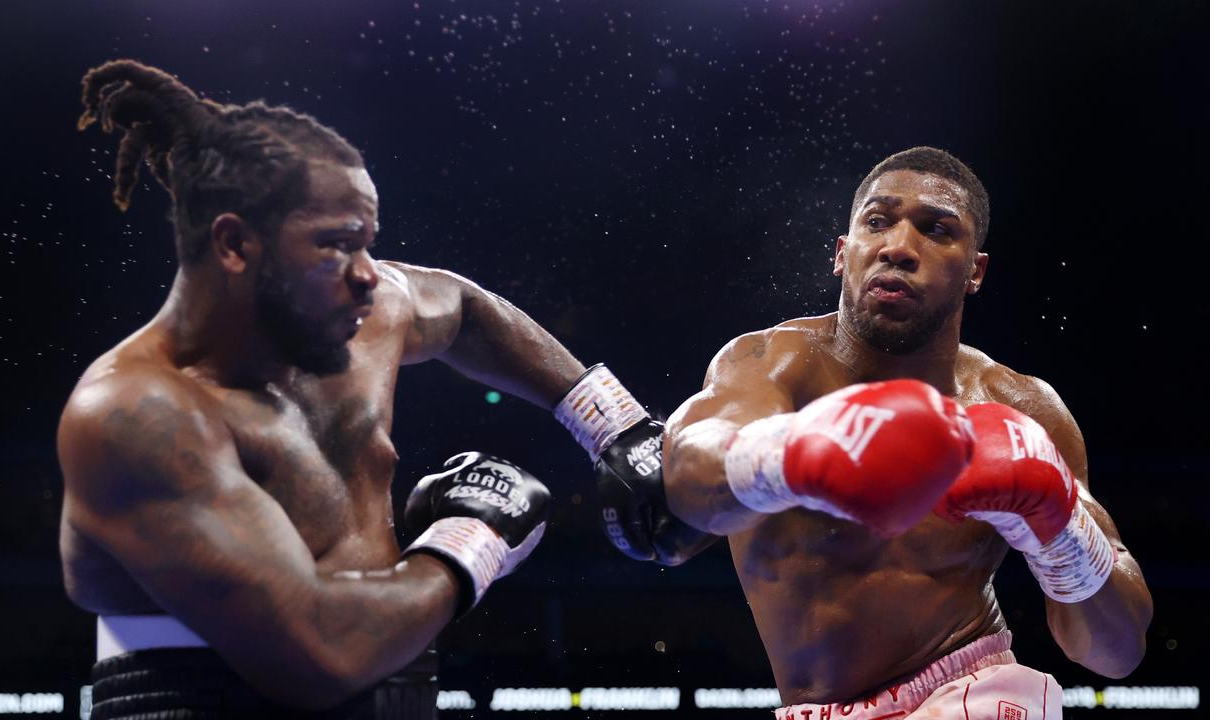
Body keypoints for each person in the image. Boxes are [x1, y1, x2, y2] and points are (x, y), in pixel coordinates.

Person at [57, 59, 672, 720]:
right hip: (204, 697)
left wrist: (613, 427)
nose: (370, 277)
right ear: (236, 244)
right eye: (337, 245)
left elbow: (463, 308)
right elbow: (320, 654)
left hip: (402, 689)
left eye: (368, 244)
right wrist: (472, 538)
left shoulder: (362, 316)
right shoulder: (137, 416)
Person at [637, 147, 1153, 719]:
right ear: (842, 253)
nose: (899, 248)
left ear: (975, 271)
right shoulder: (772, 364)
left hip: (970, 690)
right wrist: (804, 453)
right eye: (877, 221)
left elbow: (1116, 653)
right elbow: (687, 476)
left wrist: (1061, 527)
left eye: (935, 230)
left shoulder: (1022, 408)